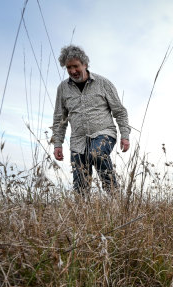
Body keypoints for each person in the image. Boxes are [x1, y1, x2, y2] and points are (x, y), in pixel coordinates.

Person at [51, 44, 130, 194]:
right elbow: (59, 118)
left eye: (76, 66)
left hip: (104, 132)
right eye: (68, 68)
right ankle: (82, 211)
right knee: (80, 183)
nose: (73, 71)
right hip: (78, 140)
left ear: (85, 64)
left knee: (97, 154)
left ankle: (114, 196)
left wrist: (125, 136)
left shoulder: (103, 83)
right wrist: (57, 144)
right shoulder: (62, 88)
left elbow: (119, 112)